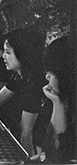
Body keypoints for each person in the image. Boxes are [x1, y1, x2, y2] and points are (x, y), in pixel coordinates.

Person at [0, 28, 52, 156]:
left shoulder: (34, 83)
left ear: (23, 54)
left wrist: (24, 161)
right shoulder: (20, 76)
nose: (3, 56)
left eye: (8, 52)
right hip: (17, 140)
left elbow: (26, 133)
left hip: (35, 151)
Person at [28, 36, 76, 164]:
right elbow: (53, 151)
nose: (47, 76)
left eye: (51, 72)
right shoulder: (60, 101)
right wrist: (57, 102)